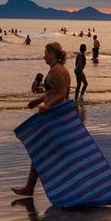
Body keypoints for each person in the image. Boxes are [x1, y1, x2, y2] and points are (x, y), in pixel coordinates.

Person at [12, 42, 71, 196]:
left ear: (51, 53)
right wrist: (38, 101)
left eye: (45, 52)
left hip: (56, 116)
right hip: (54, 115)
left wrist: (47, 105)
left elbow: (62, 93)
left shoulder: (57, 70)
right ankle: (30, 187)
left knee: (43, 150)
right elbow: (52, 92)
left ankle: (32, 187)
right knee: (42, 150)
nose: (43, 55)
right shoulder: (55, 69)